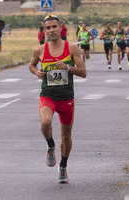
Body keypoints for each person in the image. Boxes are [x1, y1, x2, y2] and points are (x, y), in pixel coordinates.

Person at [28, 15, 86, 184]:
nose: (51, 30)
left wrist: (68, 67)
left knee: (66, 136)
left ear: (60, 28)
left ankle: (63, 167)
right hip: (48, 95)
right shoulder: (39, 50)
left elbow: (83, 72)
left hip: (66, 97)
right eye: (48, 28)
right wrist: (36, 72)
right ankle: (51, 146)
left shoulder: (71, 48)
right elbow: (31, 65)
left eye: (54, 27)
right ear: (44, 30)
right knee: (45, 122)